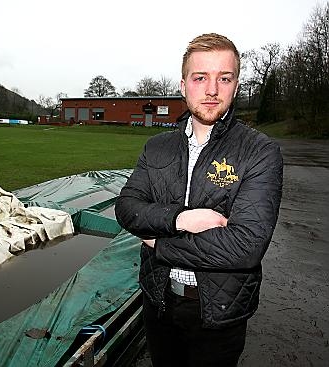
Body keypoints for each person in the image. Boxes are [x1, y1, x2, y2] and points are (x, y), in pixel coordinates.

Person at [114, 33, 283, 367]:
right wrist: (179, 219)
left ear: (236, 85)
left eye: (224, 78)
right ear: (183, 85)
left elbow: (245, 246)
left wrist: (159, 244)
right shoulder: (157, 147)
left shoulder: (260, 152)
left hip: (219, 314)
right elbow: (127, 207)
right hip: (157, 301)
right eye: (200, 77)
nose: (211, 90)